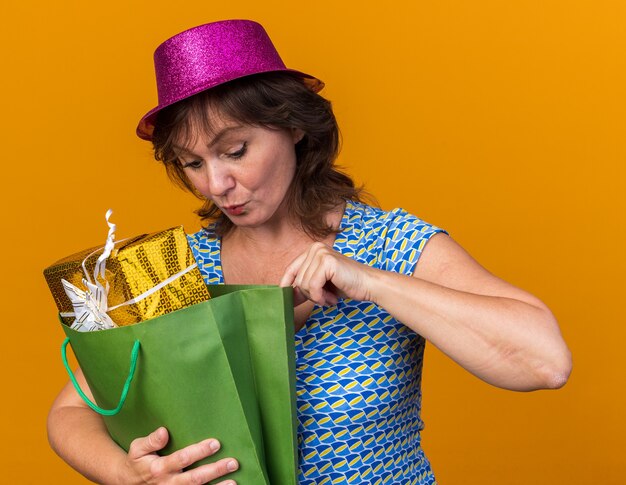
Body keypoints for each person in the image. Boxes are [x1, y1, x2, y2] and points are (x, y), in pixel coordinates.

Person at [47, 19, 572, 484]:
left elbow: (544, 362)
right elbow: (71, 412)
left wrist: (371, 281)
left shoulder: (389, 244)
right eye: (191, 163)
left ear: (294, 126)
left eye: (235, 151)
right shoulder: (172, 271)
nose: (217, 183)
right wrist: (128, 472)